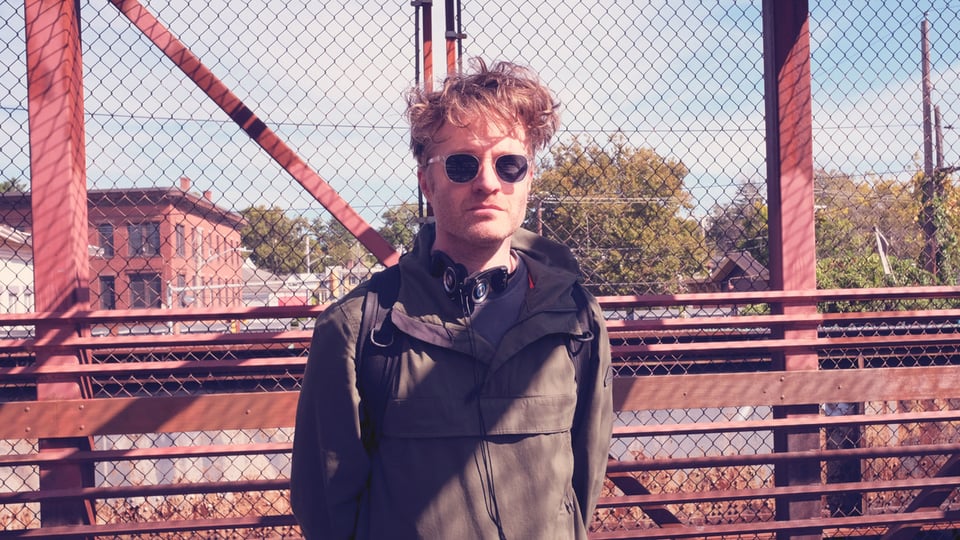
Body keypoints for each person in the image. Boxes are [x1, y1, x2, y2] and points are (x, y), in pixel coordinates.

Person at [291, 58, 613, 540]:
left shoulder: (576, 318)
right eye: (462, 165)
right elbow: (326, 506)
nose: (487, 182)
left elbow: (583, 479)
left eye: (509, 164)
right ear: (427, 181)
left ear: (529, 178)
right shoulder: (358, 328)